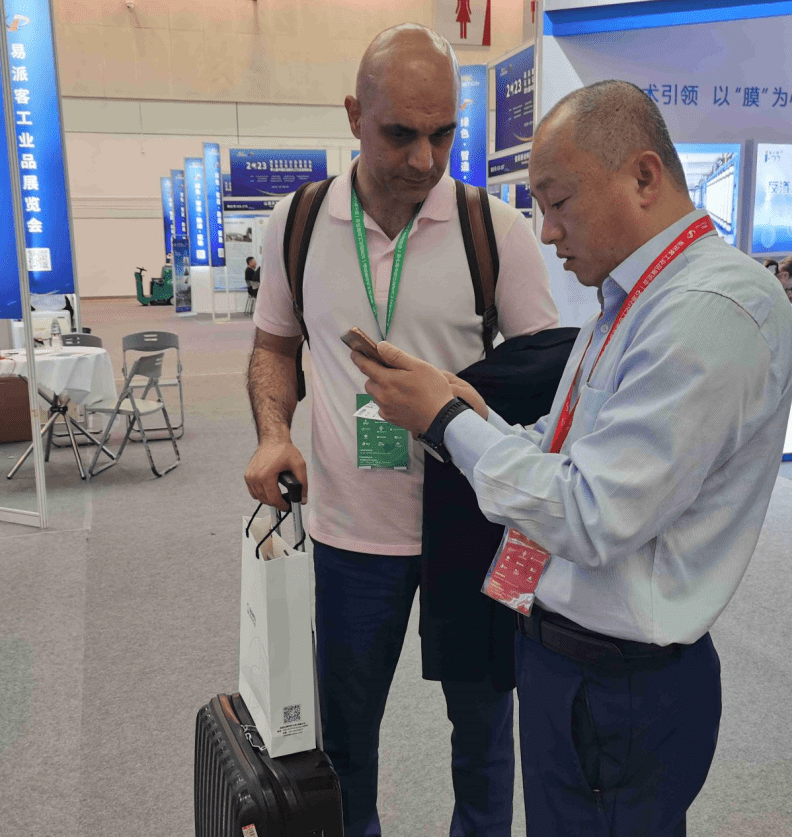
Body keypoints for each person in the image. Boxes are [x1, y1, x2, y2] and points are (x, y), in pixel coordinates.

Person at [353, 80, 792, 836]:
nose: (548, 231)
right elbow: (564, 453)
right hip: (572, 660)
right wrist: (467, 412)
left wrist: (448, 421)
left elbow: (593, 511)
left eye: (559, 202)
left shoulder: (708, 311)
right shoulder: (635, 300)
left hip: (619, 682)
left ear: (644, 177)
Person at [244, 23, 559, 837]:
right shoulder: (299, 222)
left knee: (482, 738)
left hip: (474, 530)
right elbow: (274, 347)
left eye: (443, 133)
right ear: (355, 115)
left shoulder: (496, 232)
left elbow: (547, 384)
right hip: (350, 536)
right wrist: (274, 431)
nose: (425, 158)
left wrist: (463, 409)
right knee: (345, 744)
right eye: (401, 134)